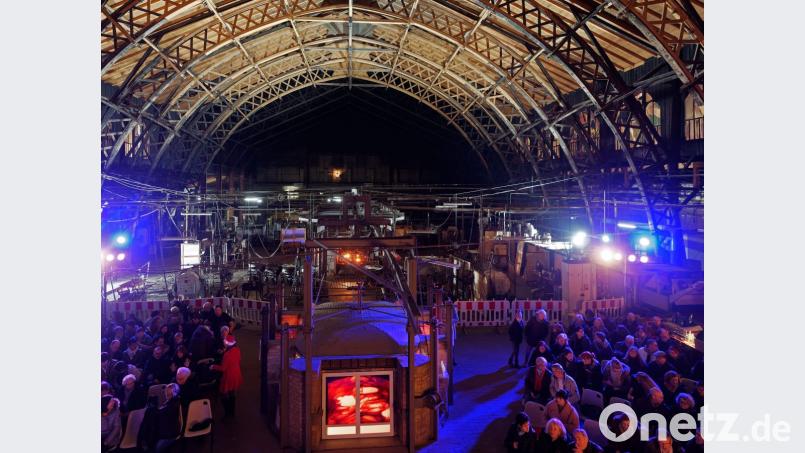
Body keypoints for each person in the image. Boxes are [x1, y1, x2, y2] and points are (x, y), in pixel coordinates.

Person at [211, 334, 243, 418]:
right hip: (236, 374)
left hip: (229, 376)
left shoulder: (227, 355)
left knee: (223, 394)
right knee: (232, 393)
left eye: (225, 341)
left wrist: (213, 366)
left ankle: (227, 413)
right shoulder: (237, 350)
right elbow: (238, 360)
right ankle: (232, 412)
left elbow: (223, 368)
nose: (224, 342)